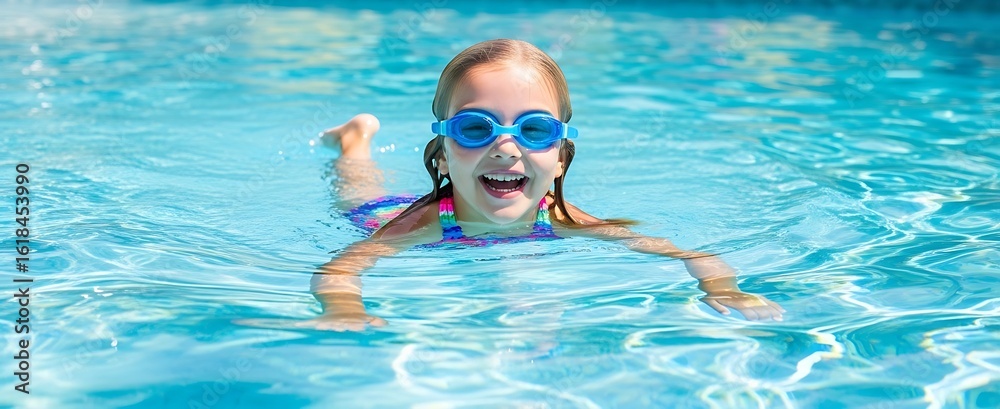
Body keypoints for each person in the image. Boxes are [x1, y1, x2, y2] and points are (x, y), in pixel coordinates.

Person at [308, 38, 784, 331]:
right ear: (446, 154)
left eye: (533, 131)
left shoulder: (560, 218)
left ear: (559, 158)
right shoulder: (423, 224)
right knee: (356, 188)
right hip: (383, 212)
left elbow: (694, 257)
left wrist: (726, 290)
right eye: (477, 128)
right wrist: (345, 308)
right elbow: (339, 271)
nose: (506, 148)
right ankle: (355, 141)